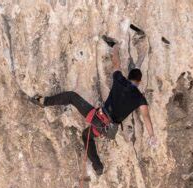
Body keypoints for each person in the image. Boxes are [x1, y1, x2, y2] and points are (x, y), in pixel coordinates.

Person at [31, 43, 156, 176]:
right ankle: (98, 167)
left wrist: (115, 48)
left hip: (99, 118)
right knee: (86, 136)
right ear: (139, 82)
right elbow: (146, 116)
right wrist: (152, 135)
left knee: (71, 97)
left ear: (128, 77)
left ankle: (43, 102)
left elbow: (116, 64)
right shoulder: (140, 98)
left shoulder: (120, 80)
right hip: (108, 129)